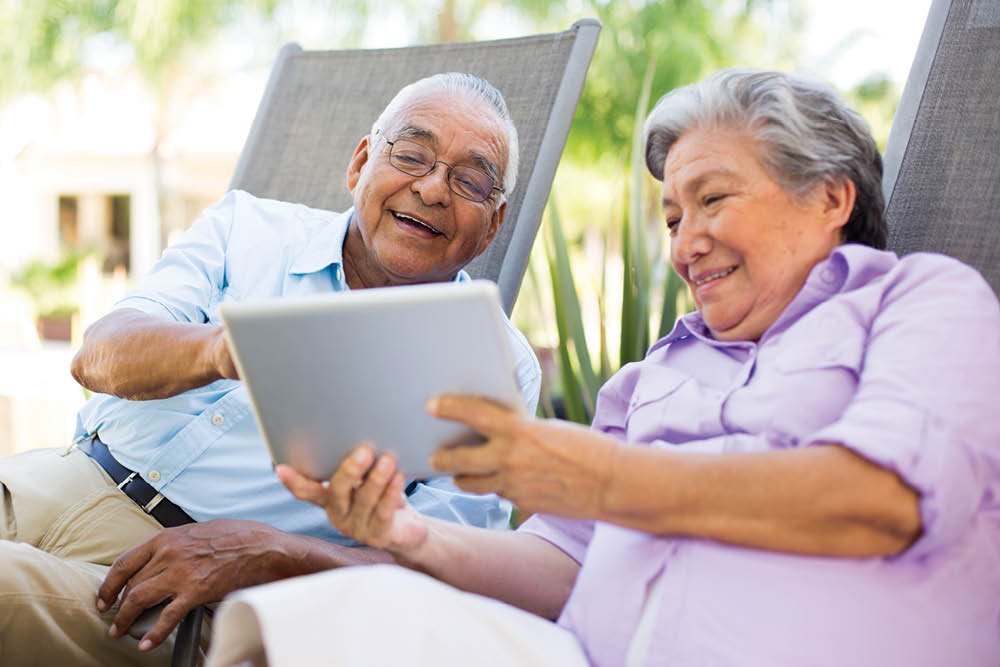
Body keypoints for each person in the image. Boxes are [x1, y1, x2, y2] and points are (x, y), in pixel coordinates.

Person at [217, 68, 1000, 667]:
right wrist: (407, 534)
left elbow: (881, 499)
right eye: (672, 217)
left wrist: (603, 477)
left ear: (830, 198)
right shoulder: (654, 374)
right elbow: (562, 561)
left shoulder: (922, 302)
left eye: (712, 200)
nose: (684, 243)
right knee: (322, 622)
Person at [0, 72, 542, 666]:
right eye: (412, 155)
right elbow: (98, 356)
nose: (433, 189)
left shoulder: (496, 364)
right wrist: (226, 351)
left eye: (469, 182)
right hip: (57, 477)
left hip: (190, 584)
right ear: (361, 163)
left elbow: (452, 572)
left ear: (493, 224)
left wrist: (272, 553)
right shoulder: (247, 227)